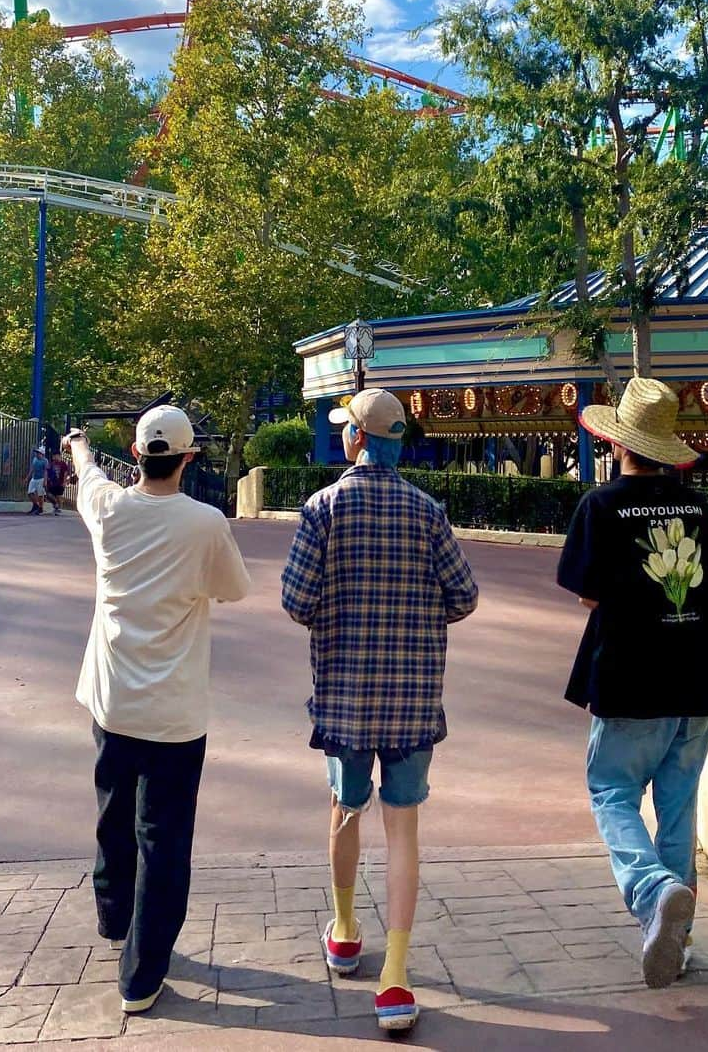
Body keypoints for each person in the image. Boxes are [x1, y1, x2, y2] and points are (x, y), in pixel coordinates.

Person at [281, 388, 478, 1034]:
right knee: (404, 829)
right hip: (414, 700)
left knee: (343, 808)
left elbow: (295, 601)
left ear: (358, 441)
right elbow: (464, 596)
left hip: (343, 696)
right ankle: (396, 976)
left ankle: (343, 930)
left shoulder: (322, 509)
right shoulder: (428, 512)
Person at [63, 406, 251, 1015]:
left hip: (113, 698)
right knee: (163, 839)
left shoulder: (109, 508)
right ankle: (142, 974)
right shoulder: (204, 523)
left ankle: (115, 921)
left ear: (137, 453)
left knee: (113, 812)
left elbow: (87, 473)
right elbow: (233, 589)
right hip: (175, 711)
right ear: (188, 458)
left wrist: (79, 446)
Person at [557, 377, 708, 989]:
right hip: (698, 677)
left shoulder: (601, 505)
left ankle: (652, 890)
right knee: (678, 805)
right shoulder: (697, 507)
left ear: (618, 442)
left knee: (611, 788)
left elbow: (589, 592)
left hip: (631, 676)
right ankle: (675, 938)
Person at [44, 451, 70, 515]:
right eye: (53, 456)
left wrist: (64, 482)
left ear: (59, 456)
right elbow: (46, 471)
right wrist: (45, 481)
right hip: (52, 483)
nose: (54, 457)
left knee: (59, 496)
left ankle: (58, 509)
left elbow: (65, 473)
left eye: (56, 456)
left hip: (60, 482)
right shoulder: (51, 464)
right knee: (49, 495)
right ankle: (55, 504)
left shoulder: (63, 464)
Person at [26, 445, 48, 515]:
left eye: (38, 453)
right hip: (34, 478)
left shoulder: (45, 461)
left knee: (40, 495)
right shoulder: (35, 459)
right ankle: (35, 505)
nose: (37, 454)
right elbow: (32, 468)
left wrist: (45, 481)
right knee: (30, 493)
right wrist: (27, 477)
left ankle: (41, 508)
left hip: (41, 479)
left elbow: (45, 471)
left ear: (42, 454)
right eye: (37, 453)